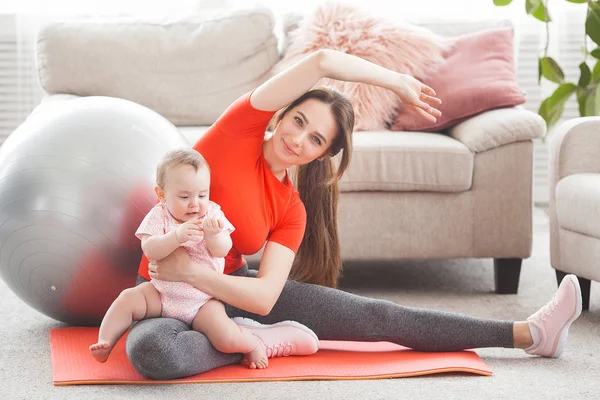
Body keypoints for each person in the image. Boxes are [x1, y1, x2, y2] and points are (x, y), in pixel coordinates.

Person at [124, 49, 583, 380]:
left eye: (316, 140)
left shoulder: (292, 208)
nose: (299, 140)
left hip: (232, 292)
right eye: (299, 121)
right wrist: (395, 82)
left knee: (374, 316)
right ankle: (254, 340)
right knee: (153, 352)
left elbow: (263, 298)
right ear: (282, 114)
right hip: (165, 293)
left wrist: (196, 274)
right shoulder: (235, 133)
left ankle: (528, 333)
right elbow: (322, 60)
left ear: (323, 154)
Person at [89, 148, 319, 368]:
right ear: (161, 194)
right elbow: (150, 249)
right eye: (184, 196)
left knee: (224, 337)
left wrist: (214, 235)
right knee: (126, 299)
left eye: (202, 194)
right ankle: (106, 342)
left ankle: (252, 343)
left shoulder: (212, 213)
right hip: (161, 293)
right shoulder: (158, 215)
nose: (195, 203)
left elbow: (223, 249)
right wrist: (175, 237)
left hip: (203, 301)